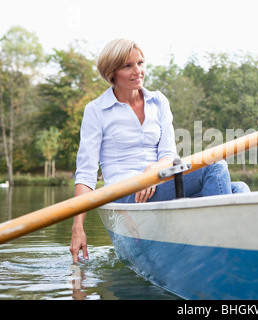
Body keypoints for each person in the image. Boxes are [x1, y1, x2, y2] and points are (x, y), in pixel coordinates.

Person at [70, 39, 249, 263]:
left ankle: (227, 249)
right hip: (124, 197)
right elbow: (86, 174)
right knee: (214, 164)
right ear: (111, 73)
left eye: (141, 63)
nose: (138, 71)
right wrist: (78, 228)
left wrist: (153, 172)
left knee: (239, 188)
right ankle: (222, 251)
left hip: (159, 180)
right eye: (128, 66)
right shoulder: (96, 110)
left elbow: (168, 154)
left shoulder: (158, 101)